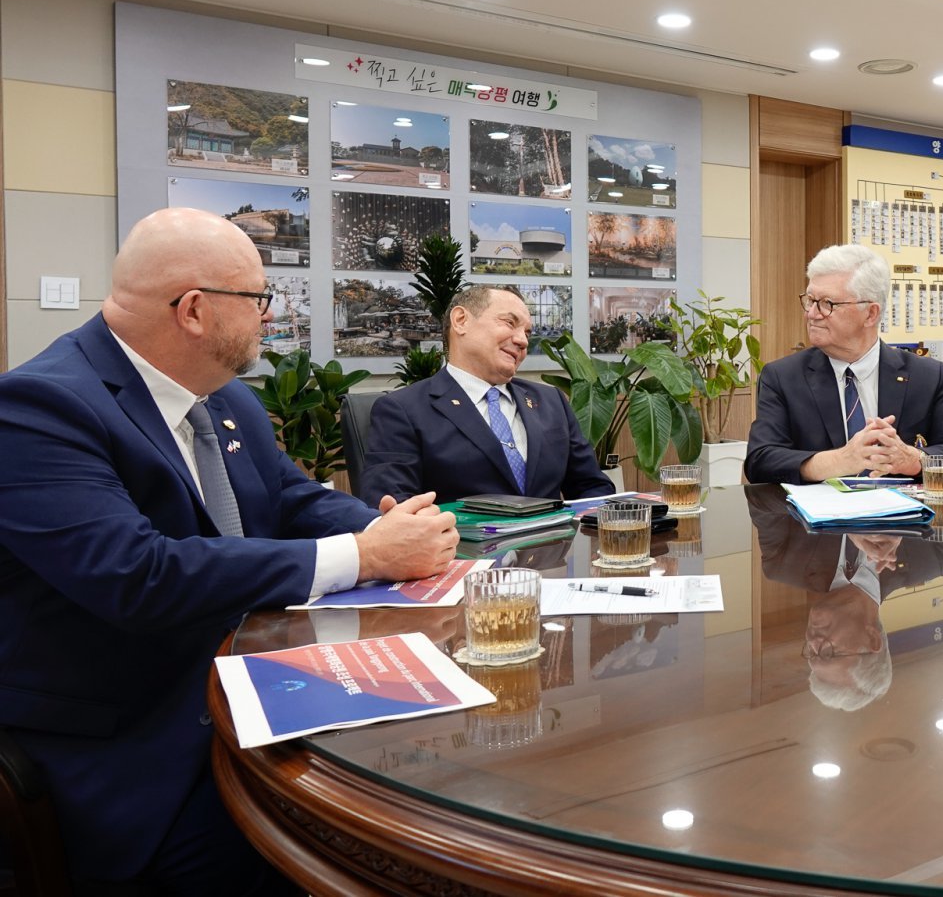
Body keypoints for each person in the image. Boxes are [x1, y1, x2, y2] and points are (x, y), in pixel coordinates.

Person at [0, 208, 459, 894]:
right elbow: (140, 576)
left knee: (415, 771)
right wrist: (366, 557)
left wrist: (390, 528)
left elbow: (291, 499)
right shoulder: (38, 408)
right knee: (357, 852)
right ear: (194, 310)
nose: (271, 316)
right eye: (259, 299)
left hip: (252, 688)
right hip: (137, 747)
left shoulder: (225, 400)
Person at [358, 285, 614, 506]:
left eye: (527, 333)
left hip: (554, 547)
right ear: (461, 321)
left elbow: (593, 488)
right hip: (462, 547)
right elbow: (394, 509)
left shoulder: (551, 402)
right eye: (510, 323)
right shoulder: (403, 410)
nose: (523, 341)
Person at [745, 244, 943, 484]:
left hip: (900, 508)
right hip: (817, 509)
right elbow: (760, 461)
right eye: (810, 300)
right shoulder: (782, 377)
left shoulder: (925, 376)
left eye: (827, 303)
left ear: (871, 314)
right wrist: (840, 460)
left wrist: (911, 459)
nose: (812, 313)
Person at [748, 487, 943, 710]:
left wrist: (842, 518)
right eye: (829, 653)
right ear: (872, 639)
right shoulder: (928, 561)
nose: (813, 642)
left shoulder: (783, 564)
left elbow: (758, 494)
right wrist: (902, 519)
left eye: (811, 653)